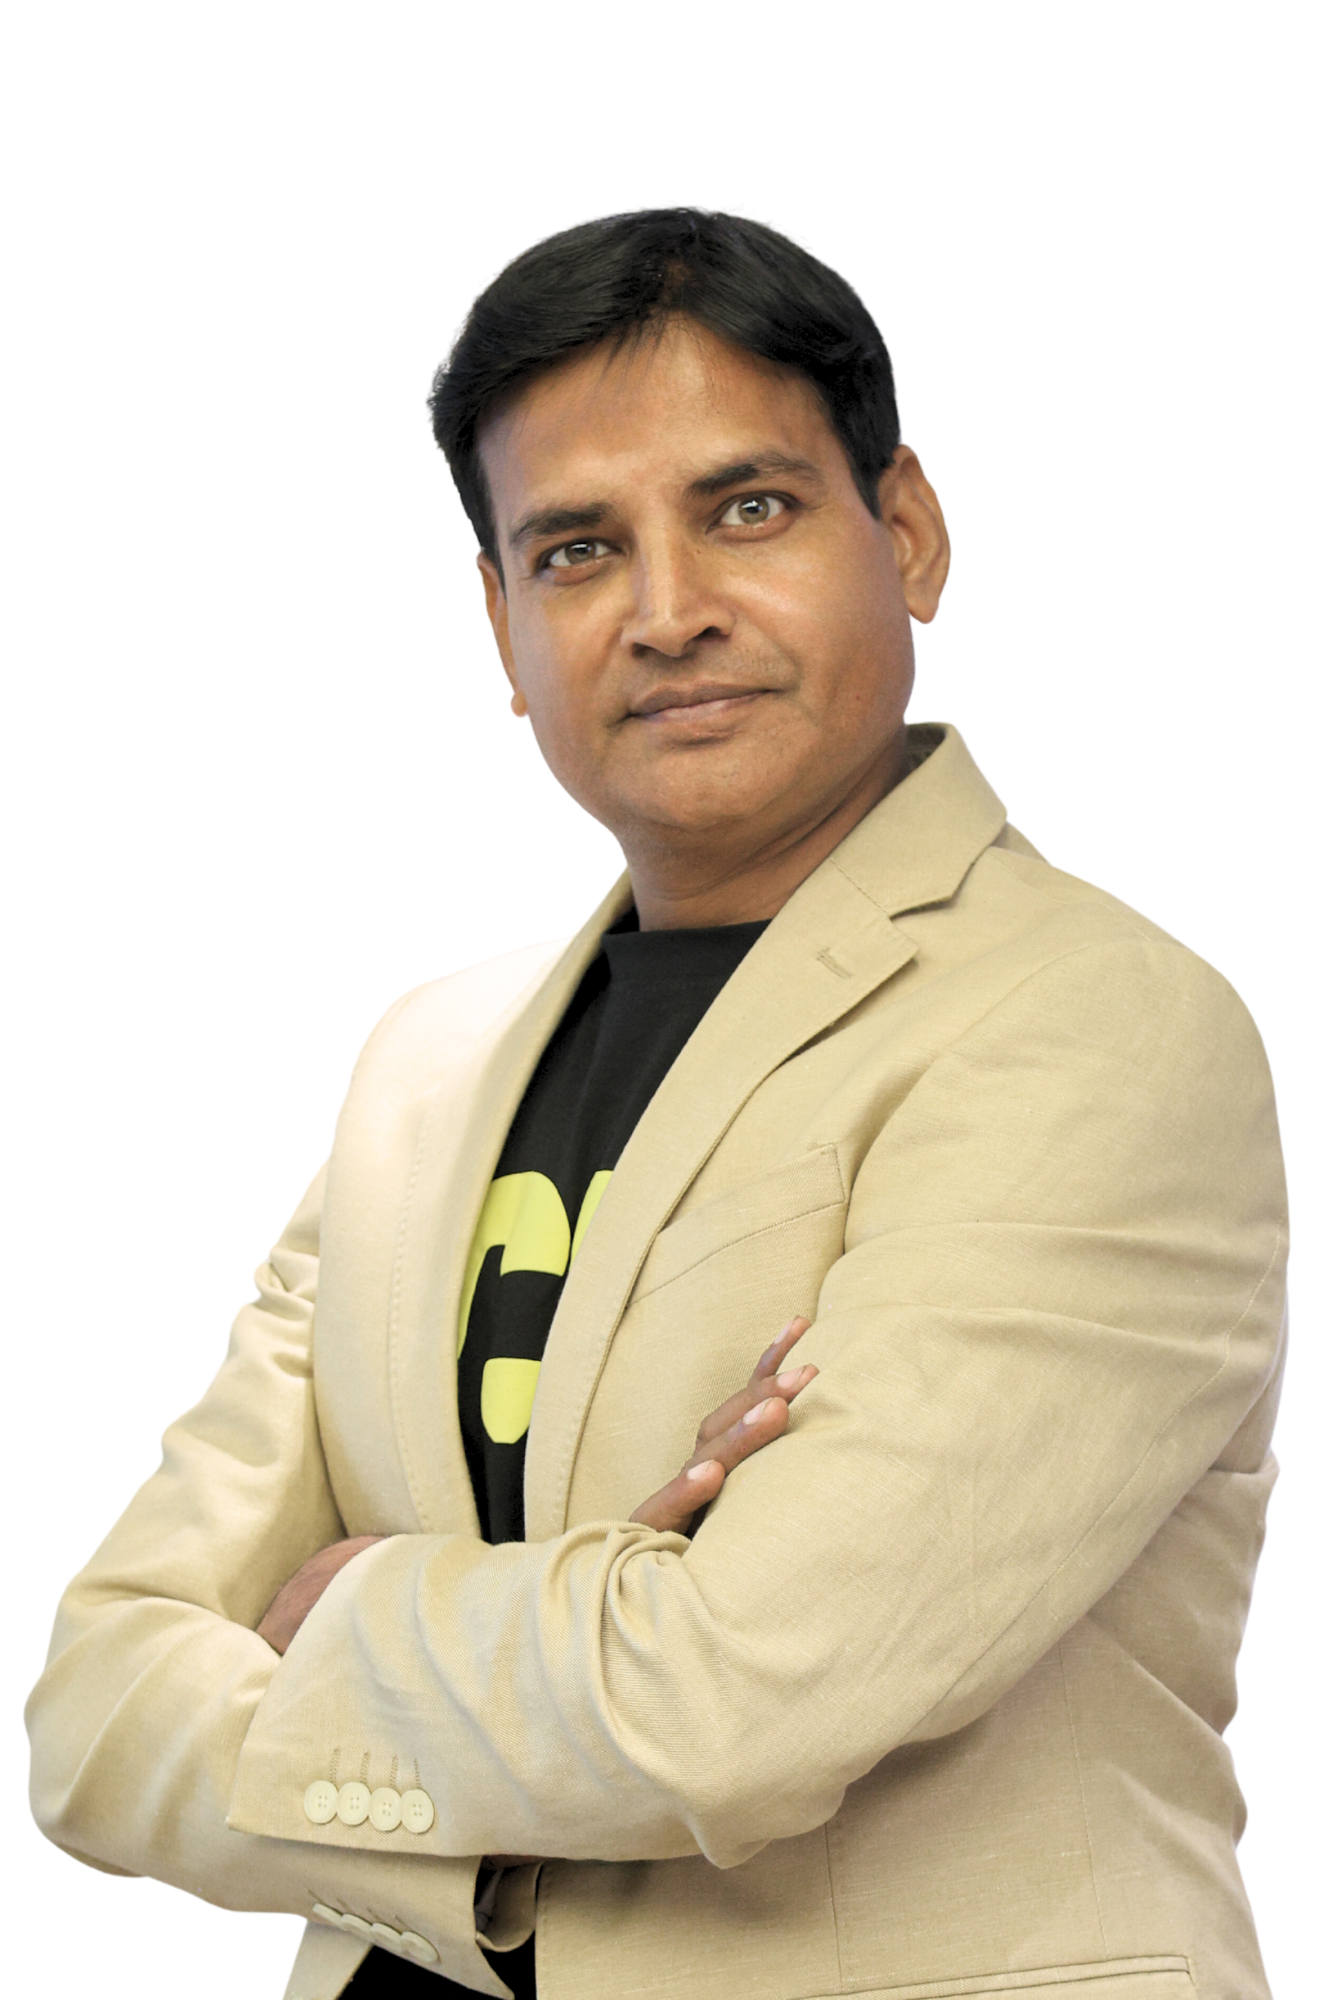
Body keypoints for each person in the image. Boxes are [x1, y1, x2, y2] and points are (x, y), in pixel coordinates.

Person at [26, 210, 1287, 2000]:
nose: (669, 609)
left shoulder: (1096, 1027)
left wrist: (340, 1613)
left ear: (908, 533)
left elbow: (738, 1700)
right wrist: (581, 1683)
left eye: (748, 508)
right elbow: (92, 1707)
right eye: (577, 549)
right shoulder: (424, 1072)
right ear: (503, 622)